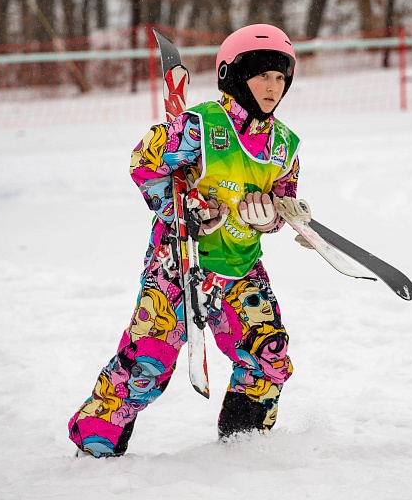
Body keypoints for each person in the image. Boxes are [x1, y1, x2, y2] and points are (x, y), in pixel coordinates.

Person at [68, 24, 302, 457]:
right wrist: (182, 207)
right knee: (147, 364)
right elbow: (144, 163)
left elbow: (283, 198)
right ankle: (95, 445)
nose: (273, 87)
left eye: (279, 77)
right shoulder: (199, 125)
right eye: (261, 75)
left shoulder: (284, 145)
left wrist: (272, 218)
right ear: (234, 76)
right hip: (178, 264)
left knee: (269, 357)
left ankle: (243, 447)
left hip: (240, 268)